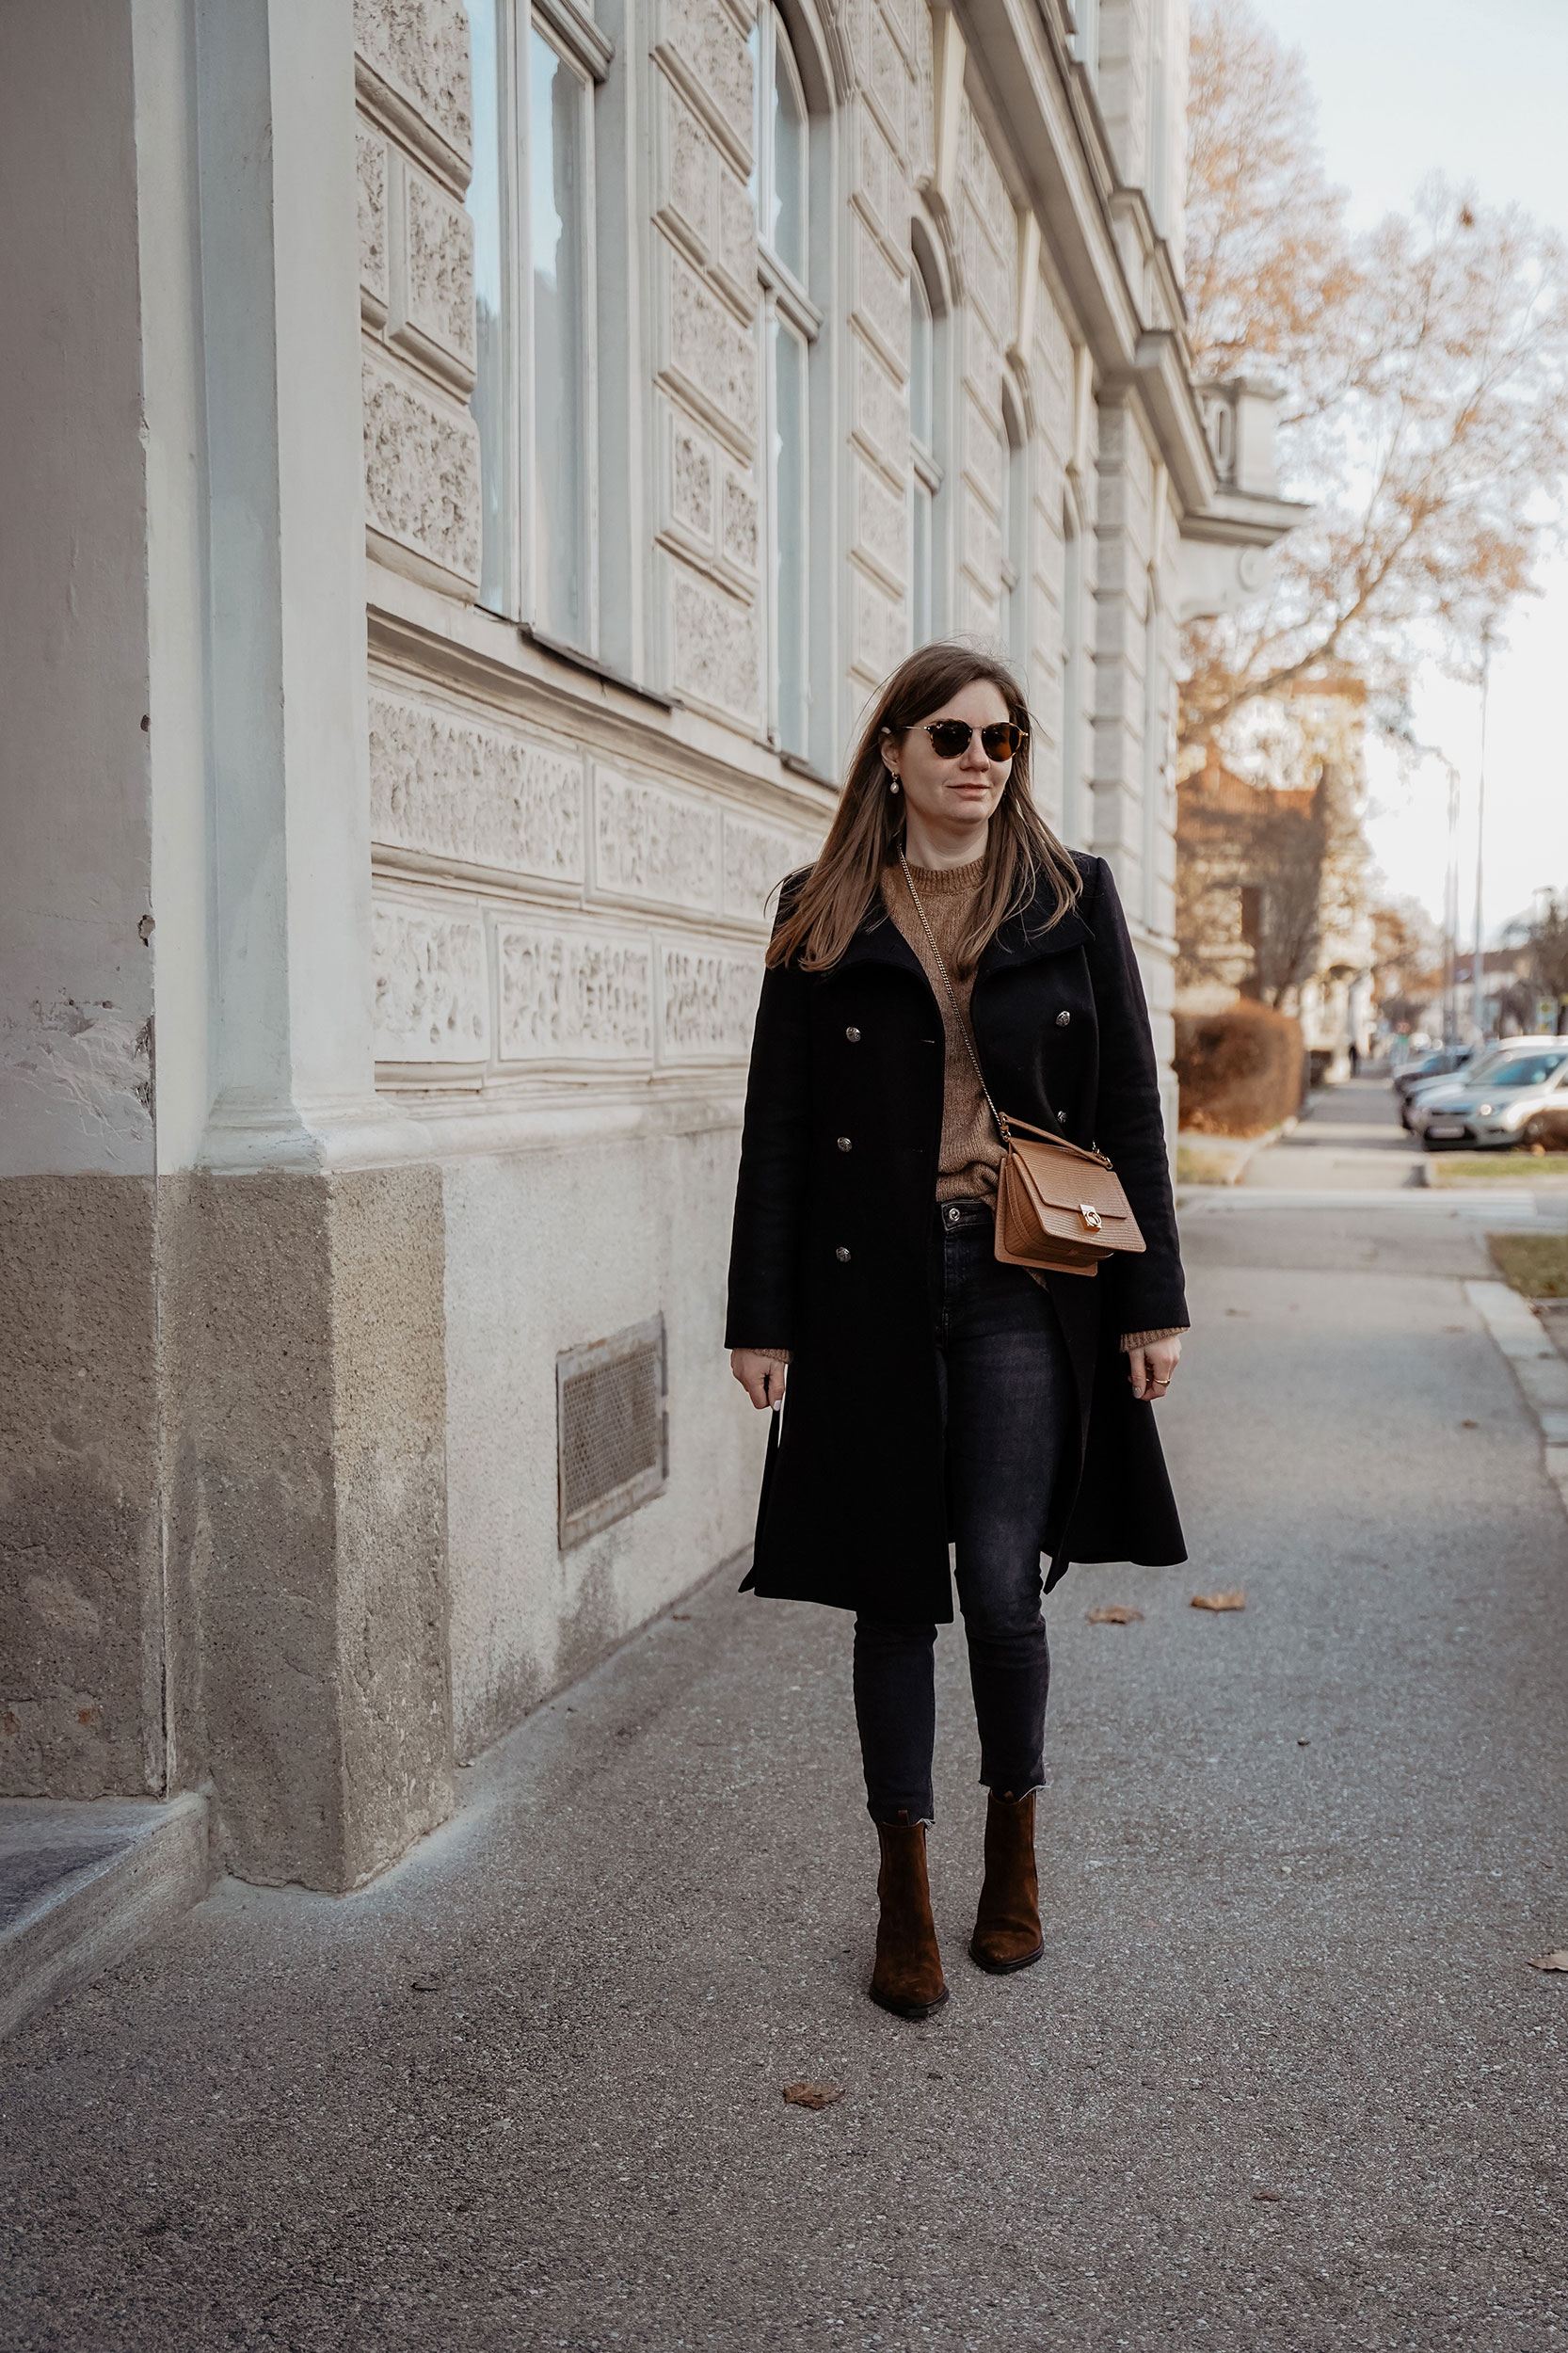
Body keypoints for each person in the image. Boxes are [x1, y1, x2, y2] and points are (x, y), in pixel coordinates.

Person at [725, 642, 1189, 2021]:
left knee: (997, 1582)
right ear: (892, 754)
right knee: (890, 1590)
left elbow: (1125, 1106)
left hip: (1018, 1281)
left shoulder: (1066, 895)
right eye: (951, 738)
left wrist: (1152, 1298)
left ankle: (1011, 1859)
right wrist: (761, 1318)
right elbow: (779, 1132)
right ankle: (901, 1893)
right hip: (865, 1289)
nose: (980, 760)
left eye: (1001, 739)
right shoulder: (820, 911)